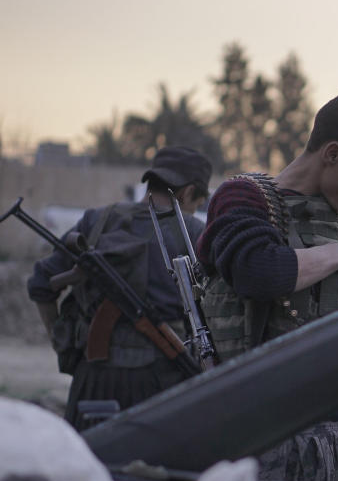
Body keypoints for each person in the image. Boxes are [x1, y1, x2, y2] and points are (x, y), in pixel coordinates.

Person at [197, 86, 338, 481]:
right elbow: (257, 271)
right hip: (257, 435)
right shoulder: (244, 197)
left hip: (327, 439)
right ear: (332, 154)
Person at [27, 146, 212, 430]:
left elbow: (41, 284)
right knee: (158, 470)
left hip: (93, 374)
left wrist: (61, 344)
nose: (194, 211)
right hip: (164, 378)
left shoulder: (97, 220)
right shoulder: (195, 233)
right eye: (197, 203)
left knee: (85, 468)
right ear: (187, 193)